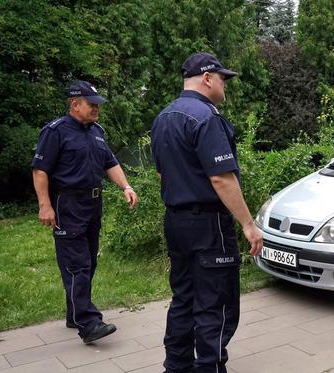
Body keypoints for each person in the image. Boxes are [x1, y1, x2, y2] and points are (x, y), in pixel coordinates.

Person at [150, 52, 263, 373]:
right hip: (209, 225)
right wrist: (248, 225)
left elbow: (162, 173)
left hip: (176, 221)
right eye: (223, 79)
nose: (225, 86)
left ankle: (176, 367)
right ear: (207, 77)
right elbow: (221, 178)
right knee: (215, 304)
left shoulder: (163, 117)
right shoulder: (206, 117)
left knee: (183, 298)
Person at [31, 80, 138, 344]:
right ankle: (89, 324)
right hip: (67, 205)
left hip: (93, 204)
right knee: (77, 264)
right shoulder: (55, 132)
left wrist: (125, 185)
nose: (96, 109)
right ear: (74, 104)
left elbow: (110, 162)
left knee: (88, 262)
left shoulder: (96, 131)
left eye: (97, 105)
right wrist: (45, 205)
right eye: (91, 105)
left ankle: (74, 313)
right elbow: (40, 171)